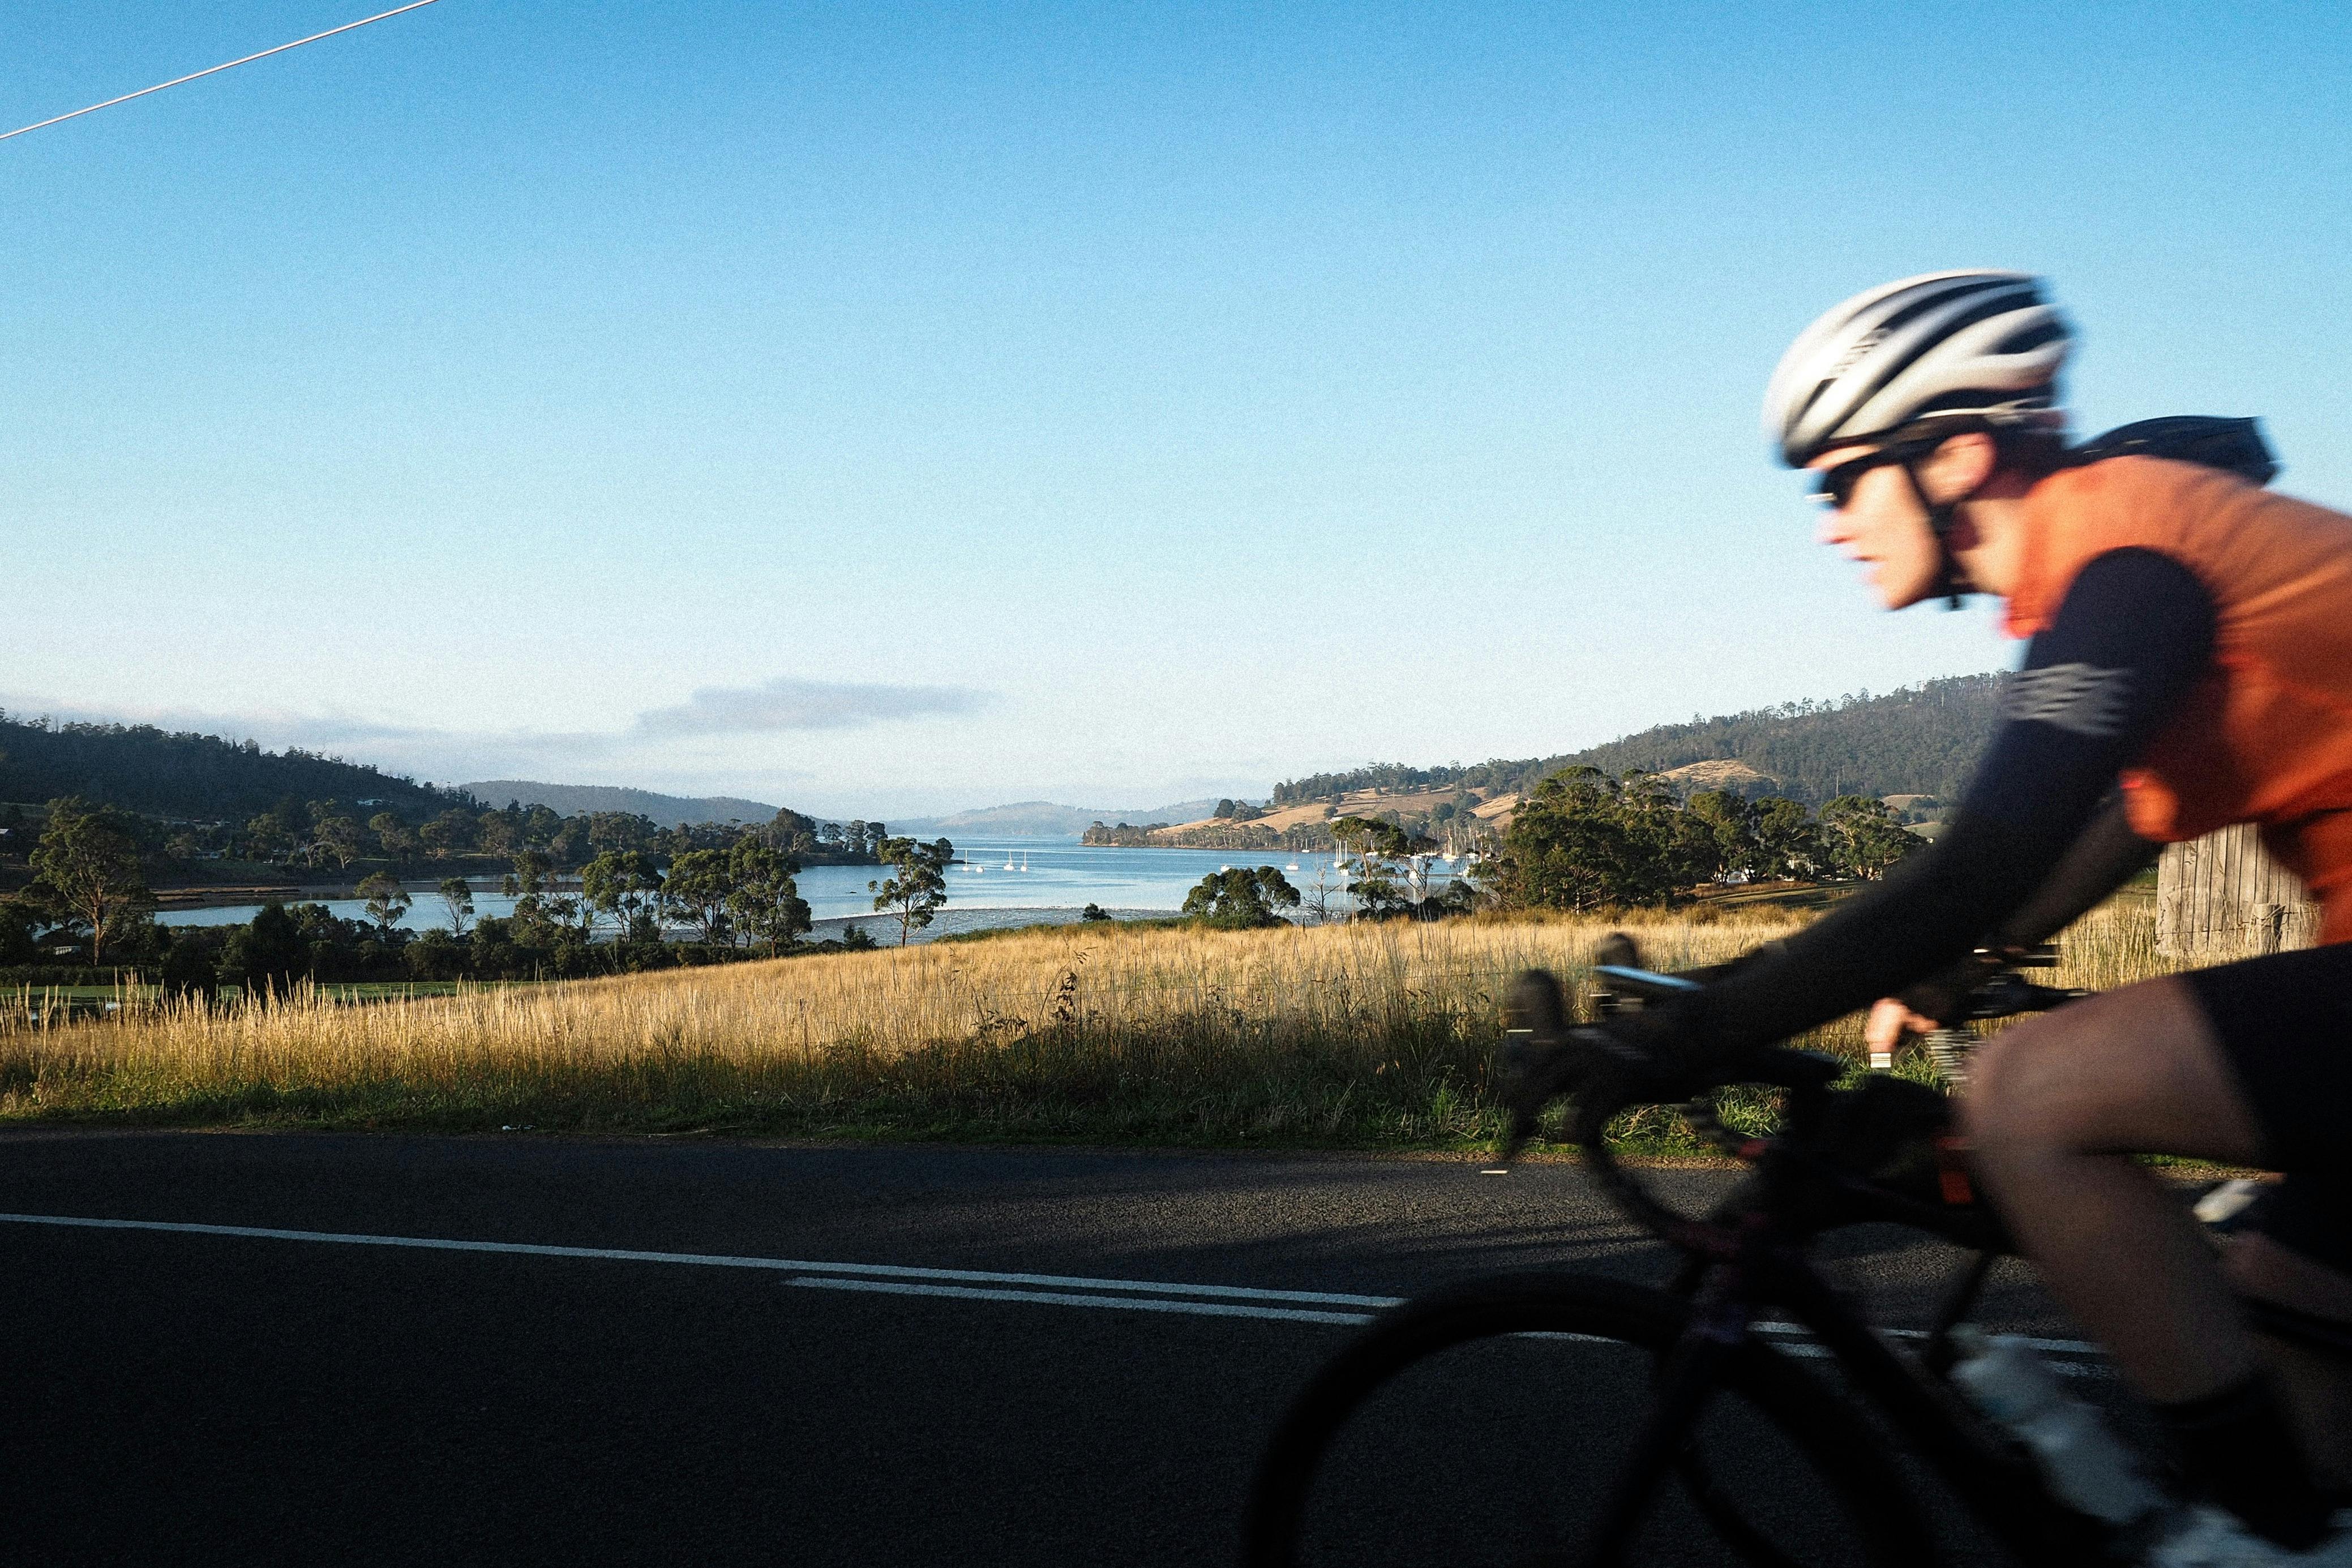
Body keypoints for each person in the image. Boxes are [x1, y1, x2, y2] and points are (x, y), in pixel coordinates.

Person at [1535, 271, 2352, 1562]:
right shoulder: (2126, 562)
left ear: (1957, 452)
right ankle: (2286, 1522)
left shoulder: (2125, 554)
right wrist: (1940, 969)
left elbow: (1970, 868)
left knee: (2031, 1092)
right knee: (2275, 1337)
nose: (1826, 525)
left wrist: (1693, 1031)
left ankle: (2247, 1540)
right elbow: (2095, 838)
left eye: (1837, 480)